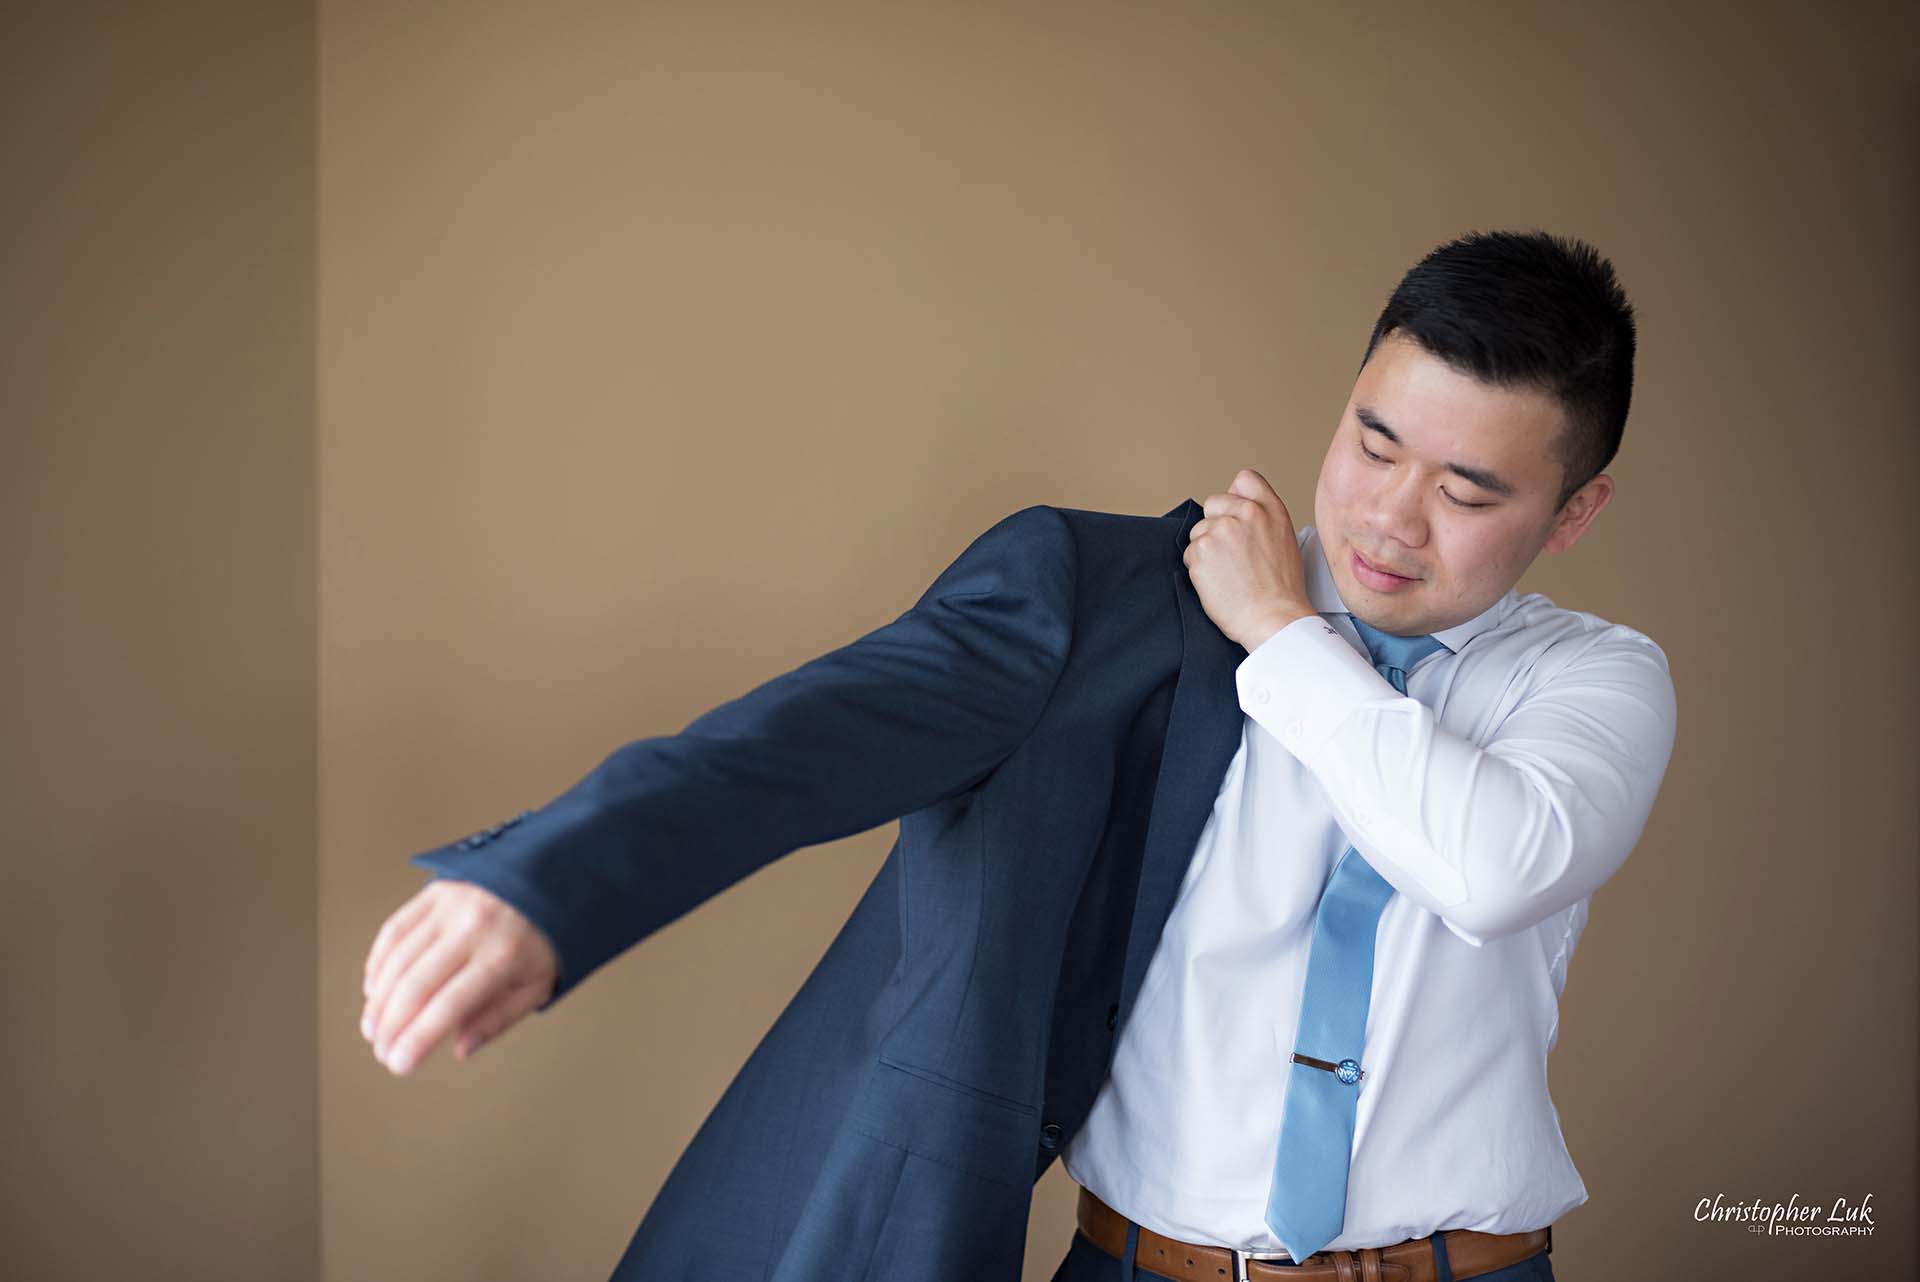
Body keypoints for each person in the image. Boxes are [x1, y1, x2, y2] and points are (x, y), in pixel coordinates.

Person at [360, 229, 1677, 1282]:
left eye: (1467, 490)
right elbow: (803, 738)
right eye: (1372, 441)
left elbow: (1497, 866)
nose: (1390, 515)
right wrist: (549, 877)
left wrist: (1283, 631)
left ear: (1575, 512)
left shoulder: (1595, 680)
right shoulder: (1107, 601)